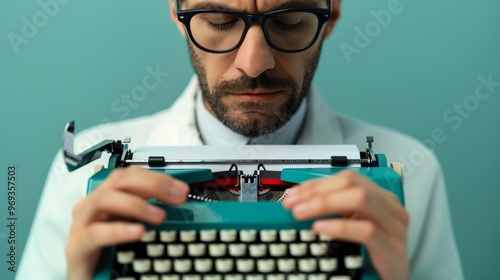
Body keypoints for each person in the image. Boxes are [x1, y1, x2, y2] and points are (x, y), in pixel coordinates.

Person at [17, 0, 464, 279]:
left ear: (331, 17)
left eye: (289, 21)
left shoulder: (412, 170)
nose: (254, 63)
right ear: (178, 15)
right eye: (218, 20)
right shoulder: (85, 177)